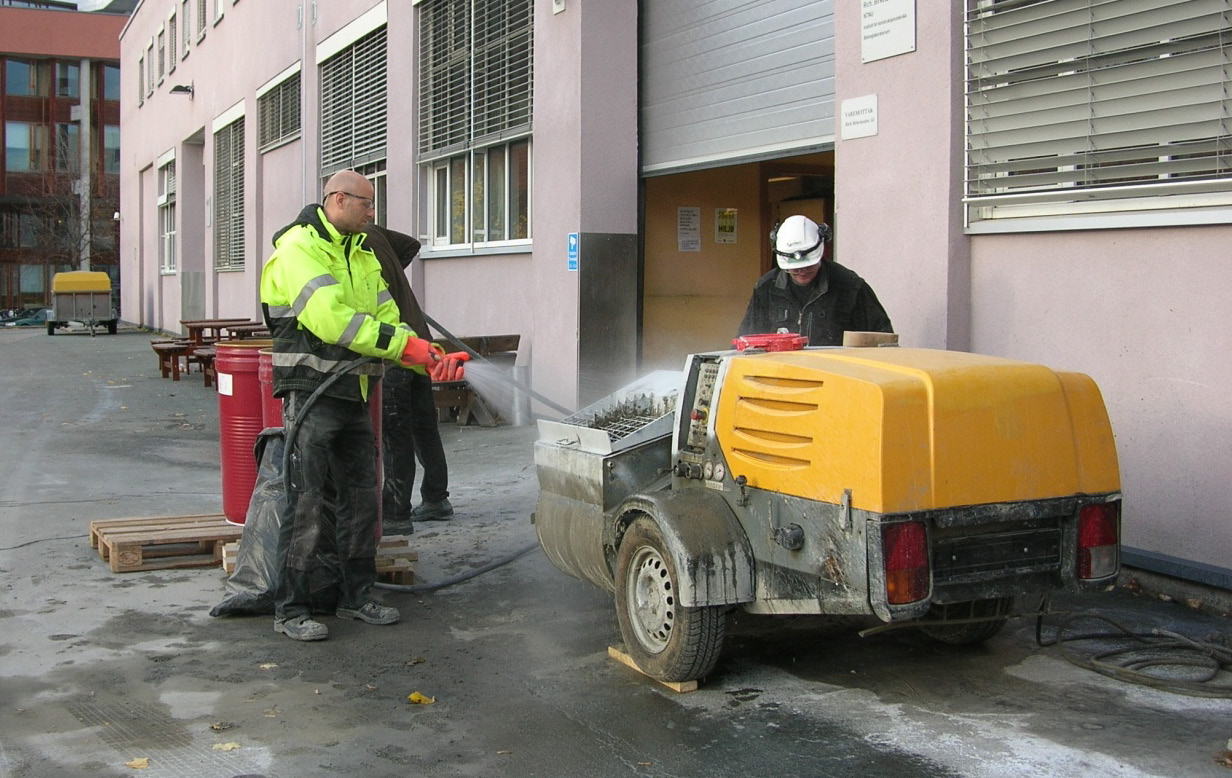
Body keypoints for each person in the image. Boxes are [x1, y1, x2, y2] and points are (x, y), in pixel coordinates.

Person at [259, 170, 439, 642]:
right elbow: (330, 318)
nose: (372, 212)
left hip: (355, 393)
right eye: (366, 203)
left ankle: (355, 597)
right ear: (338, 199)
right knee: (305, 503)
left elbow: (386, 319)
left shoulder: (361, 254)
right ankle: (292, 608)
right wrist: (407, 348)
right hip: (311, 393)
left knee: (362, 499)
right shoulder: (299, 247)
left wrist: (427, 359)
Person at [364, 224, 455, 535]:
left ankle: (395, 514)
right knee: (424, 426)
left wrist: (387, 283)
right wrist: (395, 278)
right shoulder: (374, 233)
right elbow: (412, 244)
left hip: (396, 348)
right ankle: (435, 499)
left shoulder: (350, 243)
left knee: (395, 433)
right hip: (421, 342)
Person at [736, 214, 893, 345]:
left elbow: (882, 340)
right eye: (795, 268)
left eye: (809, 266)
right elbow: (745, 342)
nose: (802, 272)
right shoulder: (767, 289)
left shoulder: (850, 287)